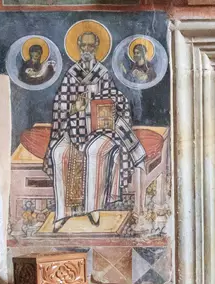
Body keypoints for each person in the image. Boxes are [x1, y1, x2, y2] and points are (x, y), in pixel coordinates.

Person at [44, 31, 146, 232]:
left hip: (101, 130)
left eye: (91, 46)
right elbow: (60, 104)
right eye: (84, 46)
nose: (87, 50)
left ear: (97, 48)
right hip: (72, 129)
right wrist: (74, 108)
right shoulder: (72, 74)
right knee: (59, 153)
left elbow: (114, 98)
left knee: (94, 152)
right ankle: (63, 213)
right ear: (79, 47)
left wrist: (111, 105)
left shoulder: (103, 73)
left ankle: (93, 208)